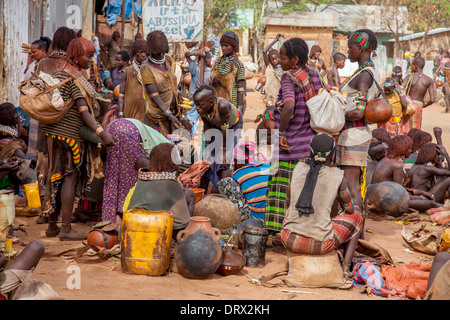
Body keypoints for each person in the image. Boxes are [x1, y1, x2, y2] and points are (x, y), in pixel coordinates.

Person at [40, 37, 116, 241]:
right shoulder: (73, 79)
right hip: (70, 138)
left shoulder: (59, 74)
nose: (91, 60)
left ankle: (52, 225)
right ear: (75, 56)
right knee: (69, 179)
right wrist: (102, 132)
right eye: (88, 56)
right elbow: (85, 113)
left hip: (53, 135)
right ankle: (66, 229)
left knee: (55, 177)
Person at [281, 134, 363, 276]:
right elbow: (349, 209)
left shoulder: (298, 168)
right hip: (321, 244)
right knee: (357, 213)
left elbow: (290, 202)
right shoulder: (337, 175)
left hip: (289, 239)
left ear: (310, 152)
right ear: (333, 155)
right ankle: (345, 268)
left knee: (290, 211)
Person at [264, 37, 321, 233]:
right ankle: (298, 232)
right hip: (309, 146)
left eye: (283, 58)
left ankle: (280, 232)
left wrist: (281, 132)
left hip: (290, 146)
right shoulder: (314, 76)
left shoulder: (289, 77)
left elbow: (289, 105)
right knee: (302, 193)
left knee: (282, 193)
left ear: (295, 60)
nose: (280, 61)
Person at [337, 29, 379, 212]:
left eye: (350, 47)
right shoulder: (367, 71)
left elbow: (359, 112)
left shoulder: (364, 75)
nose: (347, 51)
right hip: (354, 134)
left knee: (351, 186)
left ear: (361, 48)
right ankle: (354, 231)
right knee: (351, 185)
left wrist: (336, 114)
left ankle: (354, 233)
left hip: (353, 135)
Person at [101, 118, 170, 225]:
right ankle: (126, 216)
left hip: (113, 127)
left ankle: (111, 217)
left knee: (113, 174)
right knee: (133, 178)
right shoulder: (166, 153)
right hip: (129, 132)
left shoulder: (160, 141)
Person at [122, 143, 191, 235]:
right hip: (155, 233)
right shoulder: (172, 184)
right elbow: (182, 222)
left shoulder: (142, 181)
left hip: (131, 230)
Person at [193, 84, 243, 190]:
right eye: (196, 105)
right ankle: (204, 190)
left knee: (223, 161)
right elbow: (207, 127)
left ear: (211, 102)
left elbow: (225, 130)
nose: (197, 108)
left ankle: (227, 192)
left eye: (200, 105)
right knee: (207, 160)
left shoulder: (222, 106)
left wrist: (224, 151)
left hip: (231, 127)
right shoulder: (203, 109)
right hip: (215, 125)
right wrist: (207, 148)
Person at [141, 30, 183, 135]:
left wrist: (179, 95)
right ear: (151, 50)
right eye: (157, 52)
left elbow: (173, 81)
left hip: (174, 112)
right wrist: (168, 114)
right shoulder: (146, 68)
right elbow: (155, 95)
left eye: (162, 51)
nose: (161, 54)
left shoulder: (168, 60)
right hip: (158, 117)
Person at [232, 141, 270, 222]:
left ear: (238, 160)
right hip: (274, 218)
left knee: (225, 183)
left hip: (255, 220)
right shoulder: (267, 166)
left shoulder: (238, 175)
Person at [210, 31, 246, 114]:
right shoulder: (217, 63)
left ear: (234, 47)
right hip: (216, 105)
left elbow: (241, 89)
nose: (223, 48)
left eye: (226, 46)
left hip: (231, 106)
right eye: (222, 45)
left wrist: (239, 108)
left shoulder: (238, 65)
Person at [117, 38, 148, 122]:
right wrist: (120, 112)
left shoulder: (149, 71)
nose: (144, 55)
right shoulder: (127, 71)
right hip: (130, 113)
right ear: (135, 53)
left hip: (146, 114)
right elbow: (121, 94)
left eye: (145, 52)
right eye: (141, 52)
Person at [402, 57, 436, 130]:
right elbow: (432, 100)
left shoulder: (409, 77)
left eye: (412, 65)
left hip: (407, 105)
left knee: (405, 128)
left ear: (415, 66)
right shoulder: (429, 80)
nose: (411, 67)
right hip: (418, 106)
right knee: (416, 129)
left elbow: (401, 89)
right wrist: (424, 105)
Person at [184, 48, 212, 135]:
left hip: (204, 99)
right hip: (196, 98)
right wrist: (197, 53)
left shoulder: (210, 72)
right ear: (207, 60)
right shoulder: (195, 69)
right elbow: (186, 54)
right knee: (191, 117)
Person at [102, 50, 130, 128]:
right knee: (108, 121)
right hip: (115, 102)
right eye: (116, 60)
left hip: (124, 103)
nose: (116, 62)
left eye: (119, 60)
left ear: (126, 61)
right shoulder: (114, 72)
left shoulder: (128, 72)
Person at [262, 34, 283, 108]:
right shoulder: (269, 67)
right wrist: (275, 40)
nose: (274, 61)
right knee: (269, 113)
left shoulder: (283, 67)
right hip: (270, 97)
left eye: (276, 59)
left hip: (282, 96)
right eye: (272, 59)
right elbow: (264, 51)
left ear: (279, 58)